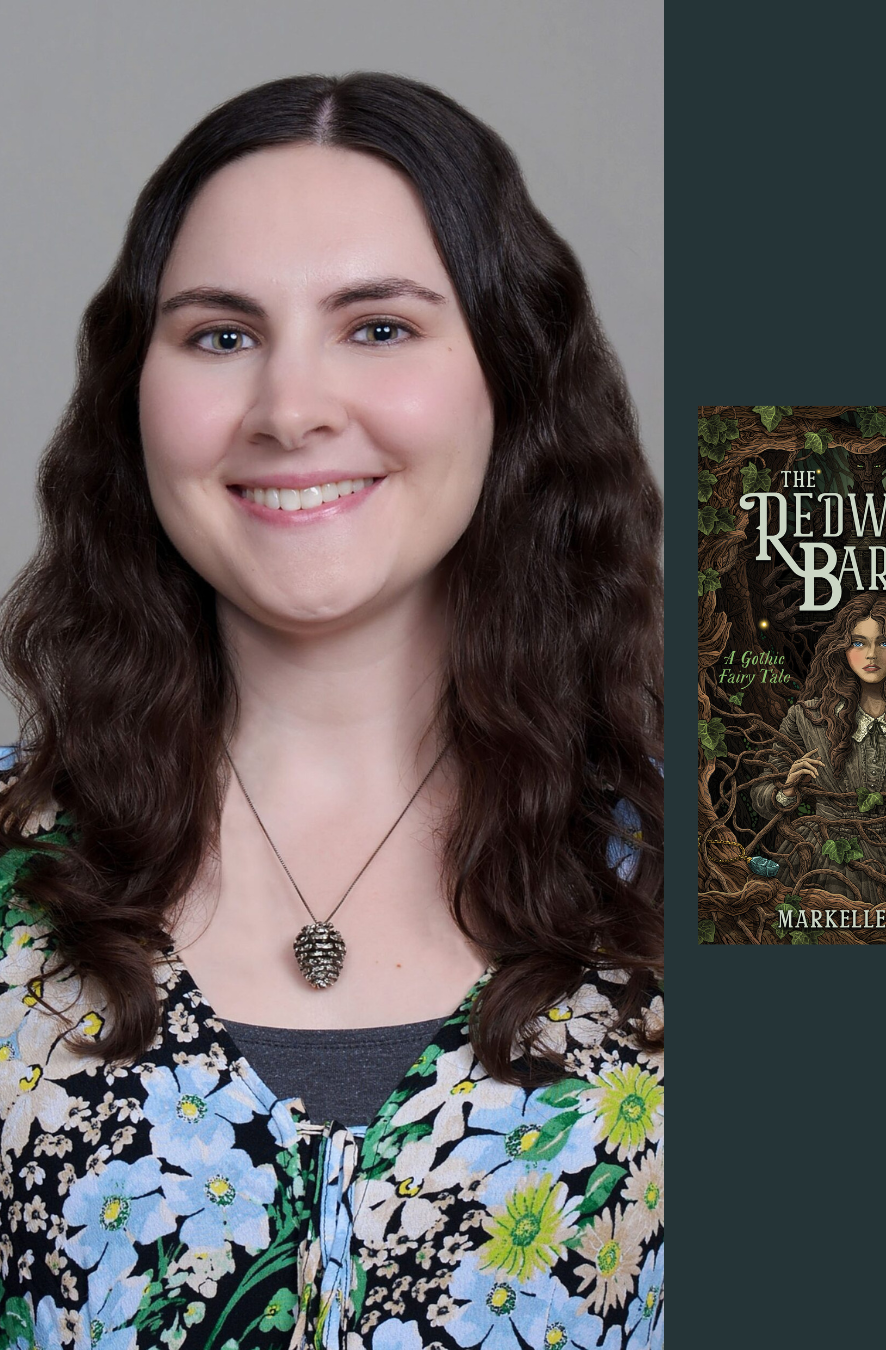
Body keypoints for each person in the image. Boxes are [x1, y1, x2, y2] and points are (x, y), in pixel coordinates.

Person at [0, 72, 663, 1349]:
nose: (291, 407)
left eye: (378, 328)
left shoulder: (731, 861)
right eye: (219, 334)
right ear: (135, 397)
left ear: (509, 381)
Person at [749, 593, 886, 907]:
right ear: (842, 650)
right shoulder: (807, 718)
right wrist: (787, 789)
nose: (872, 654)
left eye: (885, 643)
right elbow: (762, 796)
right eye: (859, 643)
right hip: (817, 856)